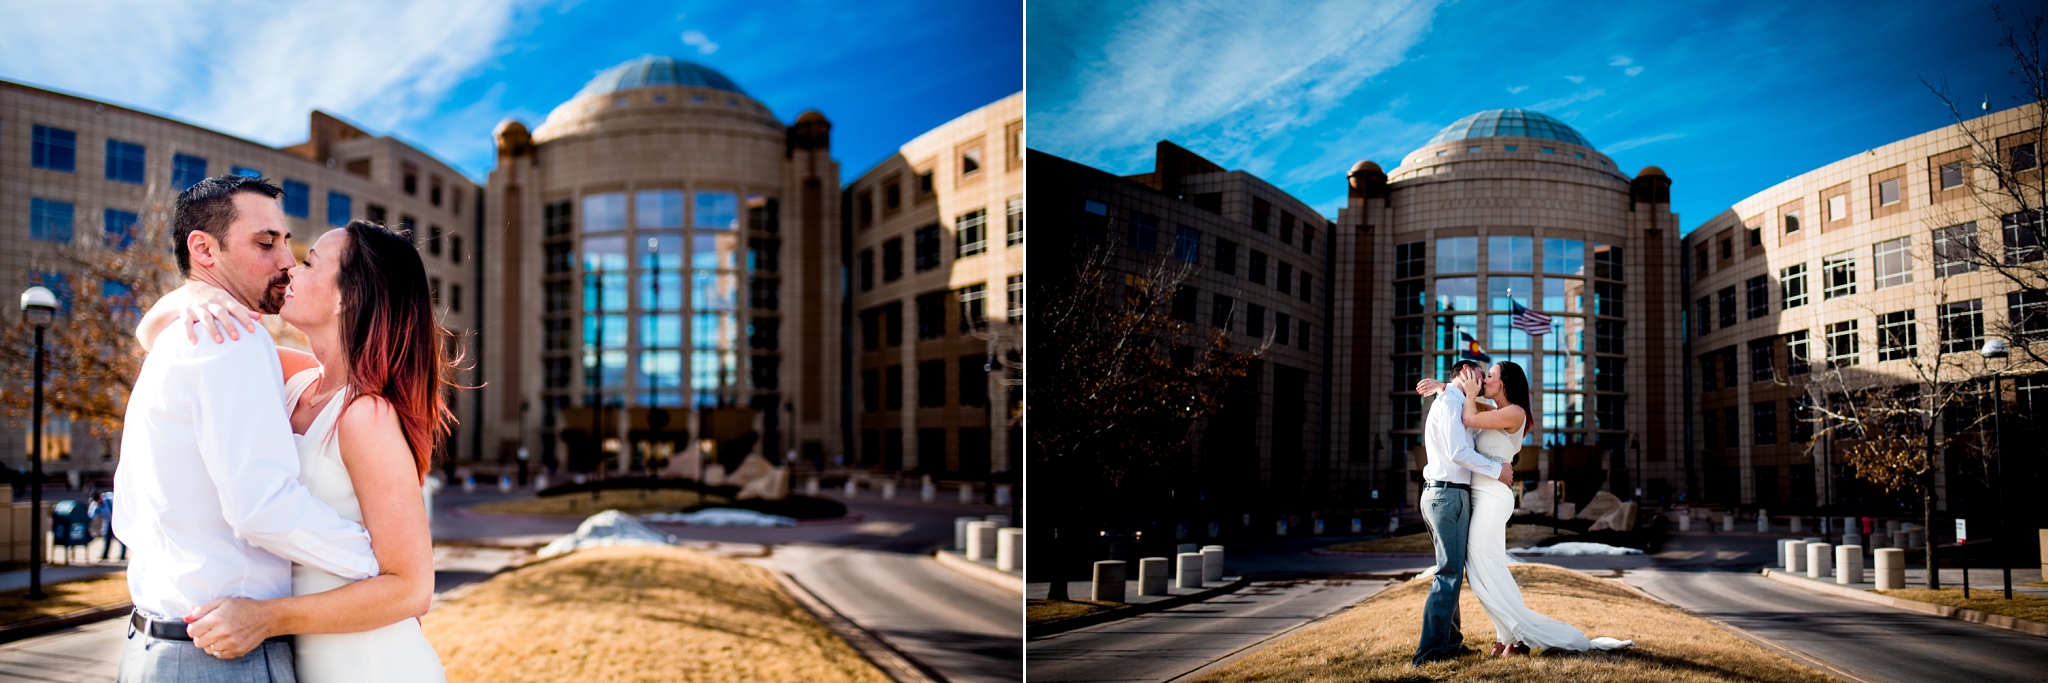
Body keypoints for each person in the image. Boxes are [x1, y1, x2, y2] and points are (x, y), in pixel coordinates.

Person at [124, 174, 449, 682]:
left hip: (365, 662)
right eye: (270, 244)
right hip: (303, 656)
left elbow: (412, 589)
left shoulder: (366, 414)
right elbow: (160, 337)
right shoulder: (293, 381)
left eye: (310, 260)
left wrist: (267, 617)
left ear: (348, 297)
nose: (290, 267)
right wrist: (191, 296)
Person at [1417, 361, 1633, 656]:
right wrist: (1446, 387)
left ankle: (1518, 636)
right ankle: (1510, 637)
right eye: (1482, 376)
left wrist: (1466, 395)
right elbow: (1465, 406)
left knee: (1483, 572)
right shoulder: (1495, 411)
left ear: (1505, 383)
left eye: (1489, 376)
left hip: (1492, 497)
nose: (1483, 382)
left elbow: (1467, 418)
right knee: (1488, 569)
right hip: (1481, 495)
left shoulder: (1514, 412)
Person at [1410, 359, 1500, 665]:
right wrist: (1496, 470)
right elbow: (1457, 452)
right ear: (1465, 373)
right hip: (1447, 495)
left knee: (1451, 571)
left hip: (1446, 494)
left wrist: (1447, 386)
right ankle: (1430, 652)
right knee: (1448, 574)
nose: (1485, 379)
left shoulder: (1454, 399)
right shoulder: (1449, 403)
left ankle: (1450, 643)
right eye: (1480, 374)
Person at [93, 492, 124, 561]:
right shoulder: (95, 506)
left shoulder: (109, 499)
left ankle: (122, 555)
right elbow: (92, 516)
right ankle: (105, 555)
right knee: (107, 538)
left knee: (120, 537)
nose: (99, 501)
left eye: (99, 499)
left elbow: (119, 505)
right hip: (107, 521)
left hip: (117, 520)